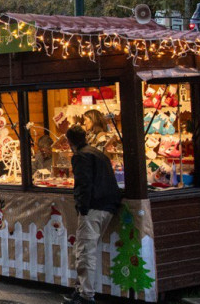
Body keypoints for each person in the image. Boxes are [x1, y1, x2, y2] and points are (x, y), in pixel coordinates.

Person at [65, 125, 121, 304]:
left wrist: (82, 207)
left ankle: (85, 295)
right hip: (109, 206)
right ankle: (81, 289)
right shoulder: (99, 154)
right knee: (89, 249)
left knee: (85, 251)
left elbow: (84, 183)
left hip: (93, 208)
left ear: (69, 142)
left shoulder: (81, 156)